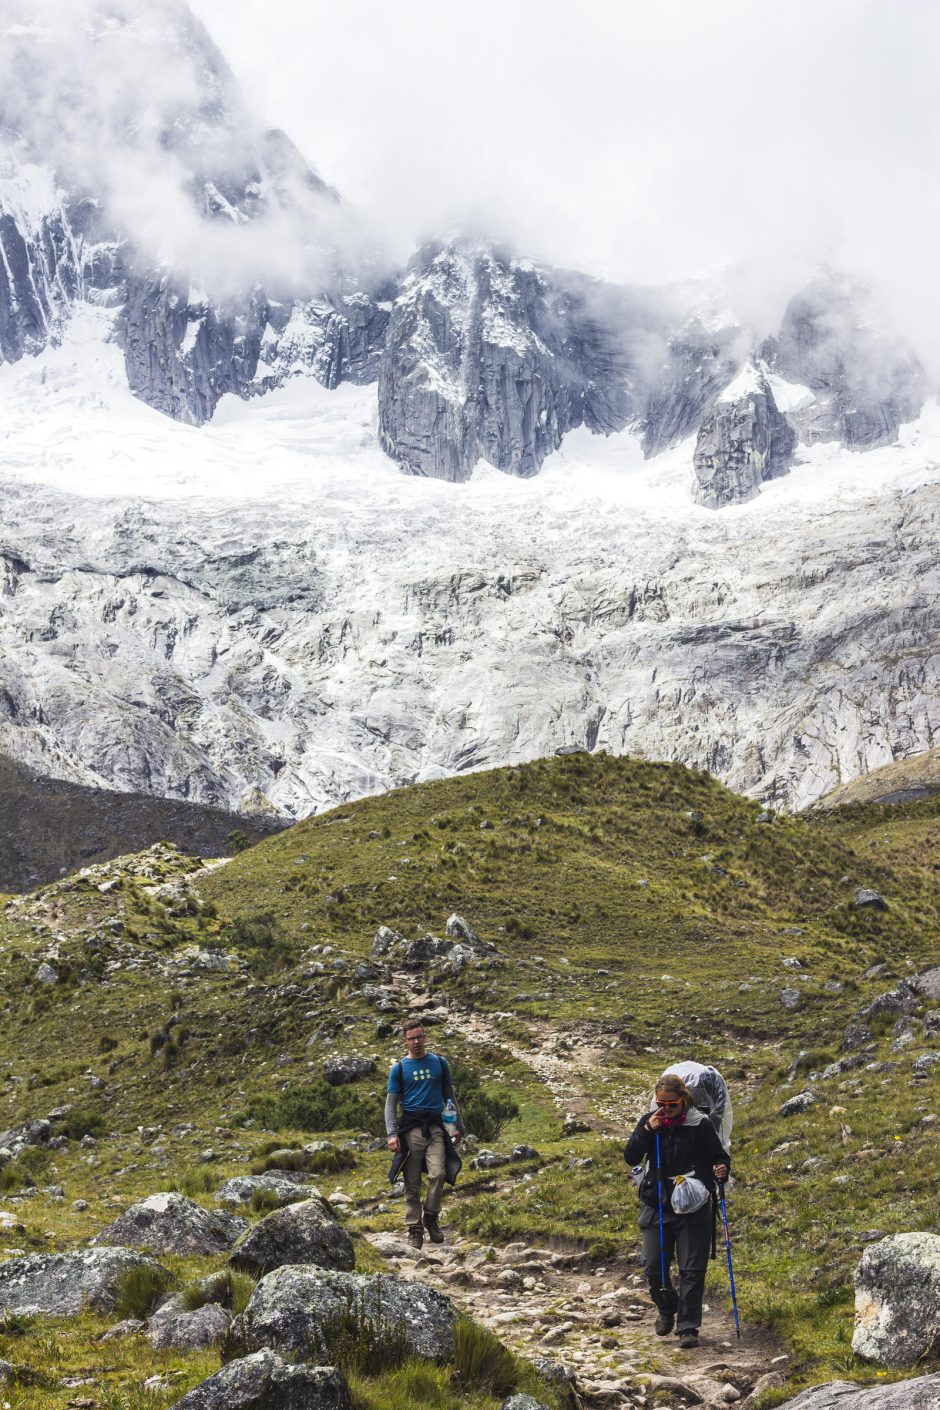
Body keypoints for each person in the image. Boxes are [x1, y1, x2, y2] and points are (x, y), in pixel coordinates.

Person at [624, 1073, 730, 1350]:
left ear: (684, 1099)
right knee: (652, 1264)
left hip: (693, 1205)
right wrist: (647, 1131)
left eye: (671, 1104)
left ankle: (688, 1328)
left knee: (692, 1269)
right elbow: (631, 1157)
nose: (666, 1108)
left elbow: (718, 1156)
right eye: (661, 1103)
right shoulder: (650, 1122)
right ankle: (666, 1306)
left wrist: (721, 1169)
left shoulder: (700, 1124)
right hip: (656, 1202)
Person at [385, 1017, 464, 1249]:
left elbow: (449, 1096)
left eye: (420, 1037)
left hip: (437, 1127)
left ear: (425, 1037)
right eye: (412, 1038)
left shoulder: (440, 1063)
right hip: (410, 1130)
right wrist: (392, 1134)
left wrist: (457, 1126)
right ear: (405, 1042)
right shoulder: (399, 1069)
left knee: (438, 1174)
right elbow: (390, 1104)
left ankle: (431, 1216)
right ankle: (414, 1228)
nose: (417, 1041)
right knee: (411, 1182)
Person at [660, 1059, 733, 1150]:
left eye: (673, 1103)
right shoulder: (652, 1121)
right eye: (661, 1103)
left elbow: (717, 1115)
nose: (667, 1107)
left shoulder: (703, 1122)